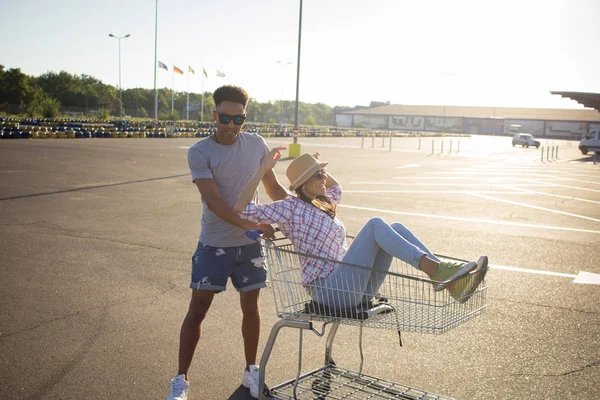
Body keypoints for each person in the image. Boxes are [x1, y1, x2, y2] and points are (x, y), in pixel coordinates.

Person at [234, 151, 488, 311]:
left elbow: (338, 187)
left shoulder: (324, 202)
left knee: (395, 228)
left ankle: (445, 276)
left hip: (352, 288)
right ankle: (439, 273)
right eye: (318, 175)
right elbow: (241, 209)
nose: (324, 178)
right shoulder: (290, 208)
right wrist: (262, 169)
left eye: (322, 173)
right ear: (302, 184)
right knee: (376, 224)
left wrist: (316, 165)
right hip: (329, 291)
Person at [165, 85, 288, 400]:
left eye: (239, 119)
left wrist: (305, 211)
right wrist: (250, 224)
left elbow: (274, 189)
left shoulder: (256, 144)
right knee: (198, 310)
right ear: (214, 114)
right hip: (214, 245)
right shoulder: (200, 152)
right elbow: (213, 200)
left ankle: (251, 372)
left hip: (249, 248)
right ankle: (181, 382)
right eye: (225, 117)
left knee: (252, 309)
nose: (231, 125)